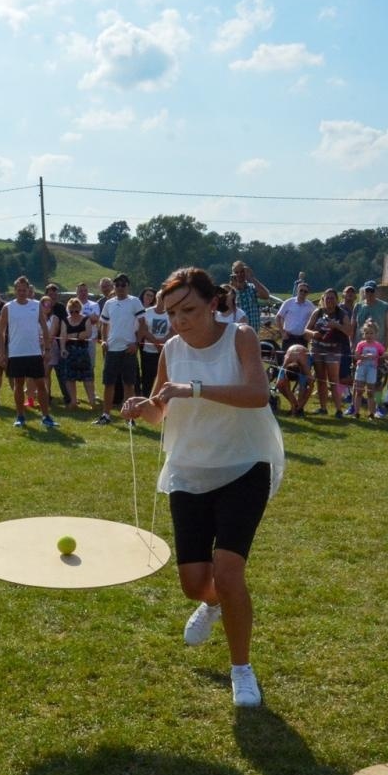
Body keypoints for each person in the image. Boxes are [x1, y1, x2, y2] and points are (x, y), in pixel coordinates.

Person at [121, 267, 284, 708]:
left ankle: (242, 670)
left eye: (188, 310)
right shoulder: (170, 350)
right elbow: (161, 411)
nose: (179, 321)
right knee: (195, 584)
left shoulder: (241, 337)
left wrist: (192, 389)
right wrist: (142, 409)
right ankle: (211, 605)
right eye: (171, 313)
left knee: (229, 575)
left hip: (244, 465)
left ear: (213, 304)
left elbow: (257, 394)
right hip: (189, 471)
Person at [0, 277, 56, 429]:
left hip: (34, 352)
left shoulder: (36, 305)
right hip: (16, 353)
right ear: (15, 290)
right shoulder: (8, 307)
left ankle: (46, 416)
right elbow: (1, 332)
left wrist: (47, 349)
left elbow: (44, 328)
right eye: (19, 290)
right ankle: (20, 416)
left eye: (25, 290)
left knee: (41, 385)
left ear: (29, 291)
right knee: (18, 384)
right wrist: (1, 353)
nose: (22, 293)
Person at [94, 273, 144, 425]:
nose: (120, 288)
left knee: (129, 384)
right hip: (112, 350)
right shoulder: (109, 303)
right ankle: (106, 415)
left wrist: (136, 343)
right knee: (109, 383)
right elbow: (103, 323)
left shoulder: (135, 301)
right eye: (117, 285)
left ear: (128, 286)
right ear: (114, 287)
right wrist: (103, 340)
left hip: (128, 349)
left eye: (123, 285)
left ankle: (130, 417)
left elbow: (142, 324)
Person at [307, 289, 352, 416]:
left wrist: (336, 326)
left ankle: (339, 409)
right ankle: (323, 408)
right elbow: (306, 330)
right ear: (323, 299)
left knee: (334, 379)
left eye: (332, 298)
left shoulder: (342, 314)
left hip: (334, 349)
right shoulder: (318, 312)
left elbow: (349, 331)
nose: (329, 301)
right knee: (321, 379)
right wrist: (312, 333)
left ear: (337, 300)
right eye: (327, 298)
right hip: (317, 348)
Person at [351, 320, 386, 419]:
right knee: (359, 391)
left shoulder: (378, 345)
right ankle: (356, 412)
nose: (369, 335)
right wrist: (364, 356)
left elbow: (383, 354)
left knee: (371, 392)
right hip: (361, 368)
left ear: (376, 334)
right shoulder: (361, 344)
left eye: (371, 333)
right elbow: (356, 357)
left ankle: (371, 413)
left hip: (372, 370)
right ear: (363, 334)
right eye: (367, 333)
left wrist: (385, 355)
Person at [139, 287, 171, 396]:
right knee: (147, 376)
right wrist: (156, 342)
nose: (163, 300)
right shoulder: (147, 312)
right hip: (148, 351)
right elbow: (143, 330)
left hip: (165, 351)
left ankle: (161, 398)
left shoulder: (170, 313)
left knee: (163, 376)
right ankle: (146, 397)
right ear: (157, 298)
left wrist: (162, 342)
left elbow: (173, 331)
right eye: (161, 297)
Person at [227, 261, 273, 333]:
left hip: (253, 332)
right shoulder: (230, 291)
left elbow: (266, 295)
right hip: (237, 333)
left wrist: (251, 278)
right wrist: (234, 287)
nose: (239, 274)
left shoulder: (252, 288)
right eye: (236, 272)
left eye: (242, 271)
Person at [274, 278, 316, 350]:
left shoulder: (311, 306)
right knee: (286, 360)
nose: (303, 292)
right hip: (288, 337)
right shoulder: (288, 302)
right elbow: (278, 317)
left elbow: (316, 319)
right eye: (301, 290)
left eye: (305, 291)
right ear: (297, 291)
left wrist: (310, 334)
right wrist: (282, 332)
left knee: (301, 360)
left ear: (308, 293)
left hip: (302, 338)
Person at [274, 343, 313, 417]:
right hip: (291, 354)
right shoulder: (286, 364)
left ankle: (299, 409)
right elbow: (287, 388)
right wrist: (293, 406)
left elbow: (311, 386)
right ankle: (295, 405)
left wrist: (301, 405)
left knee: (303, 385)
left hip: (305, 355)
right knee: (279, 385)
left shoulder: (304, 366)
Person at [353, 281, 388, 350]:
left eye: (372, 291)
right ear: (364, 292)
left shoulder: (386, 307)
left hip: (378, 348)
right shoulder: (357, 306)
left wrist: (385, 347)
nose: (369, 293)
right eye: (367, 291)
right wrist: (351, 344)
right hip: (359, 349)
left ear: (376, 291)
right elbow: (353, 327)